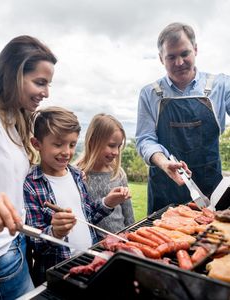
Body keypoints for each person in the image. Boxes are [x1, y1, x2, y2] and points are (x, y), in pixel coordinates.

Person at [0, 35, 57, 299]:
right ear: (14, 73)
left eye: (48, 84)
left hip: (15, 244)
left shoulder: (15, 117)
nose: (46, 92)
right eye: (40, 82)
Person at [24, 106, 131, 286]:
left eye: (72, 144)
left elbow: (88, 216)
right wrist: (55, 232)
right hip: (59, 271)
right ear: (37, 144)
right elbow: (36, 243)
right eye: (58, 144)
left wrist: (107, 202)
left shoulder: (75, 175)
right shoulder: (31, 185)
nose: (67, 151)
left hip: (88, 260)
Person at [135, 22, 230, 215]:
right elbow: (145, 139)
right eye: (171, 56)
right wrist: (163, 163)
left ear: (195, 50)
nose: (179, 62)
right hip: (164, 186)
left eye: (185, 53)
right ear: (161, 58)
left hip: (210, 187)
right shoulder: (150, 93)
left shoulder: (221, 85)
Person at [77, 113, 135, 240]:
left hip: (120, 239)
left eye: (119, 146)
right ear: (92, 141)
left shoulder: (118, 174)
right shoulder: (78, 175)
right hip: (94, 244)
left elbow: (128, 212)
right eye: (111, 145)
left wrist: (131, 236)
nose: (116, 152)